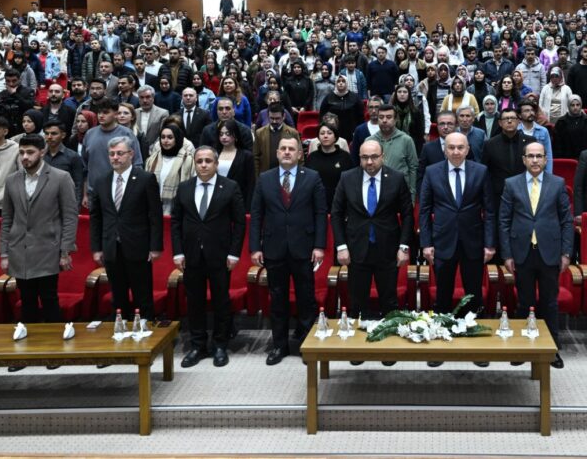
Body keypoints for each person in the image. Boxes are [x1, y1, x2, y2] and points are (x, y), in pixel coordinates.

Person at [249, 131, 328, 366]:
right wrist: (255, 247)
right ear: (276, 152)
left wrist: (320, 246)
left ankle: (307, 344)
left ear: (299, 154)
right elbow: (256, 216)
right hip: (274, 249)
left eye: (291, 149)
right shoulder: (265, 178)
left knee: (306, 300)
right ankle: (279, 345)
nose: (286, 152)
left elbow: (320, 214)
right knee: (278, 300)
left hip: (304, 248)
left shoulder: (312, 178)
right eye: (283, 148)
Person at [499, 141, 573, 368]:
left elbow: (566, 221)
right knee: (524, 303)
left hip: (550, 252)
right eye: (530, 156)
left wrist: (566, 252)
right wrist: (507, 254)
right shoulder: (511, 184)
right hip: (522, 252)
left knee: (550, 303)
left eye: (539, 156)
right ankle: (522, 349)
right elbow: (504, 221)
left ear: (545, 159)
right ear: (523, 159)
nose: (534, 160)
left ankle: (552, 350)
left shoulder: (558, 183)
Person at [172, 146, 247, 368]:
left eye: (208, 161)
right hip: (191, 255)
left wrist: (234, 252)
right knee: (194, 301)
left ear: (216, 164)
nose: (203, 165)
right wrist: (177, 251)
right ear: (194, 164)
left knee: (221, 300)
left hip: (220, 255)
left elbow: (240, 222)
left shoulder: (230, 187)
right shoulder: (184, 188)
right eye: (199, 161)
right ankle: (197, 345)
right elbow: (176, 222)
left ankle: (221, 345)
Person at [0, 135, 78, 342]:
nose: (25, 157)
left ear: (42, 152)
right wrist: (4, 252)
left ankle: (54, 349)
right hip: (19, 249)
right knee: (26, 302)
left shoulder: (61, 177)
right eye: (22, 152)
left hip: (48, 248)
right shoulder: (12, 179)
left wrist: (66, 250)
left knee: (49, 299)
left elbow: (70, 216)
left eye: (30, 152)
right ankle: (29, 350)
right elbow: (7, 218)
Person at [331, 140, 413, 322]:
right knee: (357, 304)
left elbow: (407, 215)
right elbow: (336, 214)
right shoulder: (347, 177)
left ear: (382, 156)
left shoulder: (397, 178)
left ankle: (389, 347)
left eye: (374, 157)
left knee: (389, 303)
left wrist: (404, 247)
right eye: (365, 157)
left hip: (388, 250)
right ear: (359, 158)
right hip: (356, 250)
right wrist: (341, 246)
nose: (369, 162)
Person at [420, 132, 495, 327]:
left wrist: (489, 244)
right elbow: (425, 211)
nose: (455, 151)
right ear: (444, 150)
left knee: (473, 295)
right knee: (443, 294)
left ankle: (476, 341)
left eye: (460, 147)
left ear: (468, 149)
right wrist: (426, 243)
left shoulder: (481, 171)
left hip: (473, 241)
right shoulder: (432, 171)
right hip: (442, 241)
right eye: (451, 147)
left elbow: (489, 211)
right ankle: (439, 337)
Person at [89, 136, 163, 321]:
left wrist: (155, 247)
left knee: (142, 294)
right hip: (111, 247)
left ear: (131, 154)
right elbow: (96, 217)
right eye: (112, 154)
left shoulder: (145, 179)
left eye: (119, 153)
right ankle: (121, 333)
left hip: (138, 246)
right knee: (118, 295)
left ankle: (145, 331)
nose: (115, 157)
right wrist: (96, 248)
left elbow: (155, 216)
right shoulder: (101, 181)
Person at [370, 103, 419, 200]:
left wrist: (412, 195)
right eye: (381, 117)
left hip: (401, 193)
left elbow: (413, 168)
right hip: (376, 192)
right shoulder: (370, 141)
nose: (384, 120)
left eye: (389, 117)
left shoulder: (406, 140)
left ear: (395, 120)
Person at [146, 124, 196, 215]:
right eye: (163, 137)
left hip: (178, 209)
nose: (165, 141)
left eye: (170, 137)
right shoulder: (152, 159)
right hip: (154, 208)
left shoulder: (188, 160)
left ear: (177, 138)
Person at [305, 121, 355, 206]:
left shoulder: (345, 157)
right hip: (317, 201)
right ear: (318, 137)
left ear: (335, 137)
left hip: (340, 202)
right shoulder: (312, 157)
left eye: (329, 133)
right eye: (322, 133)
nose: (325, 136)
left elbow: (351, 181)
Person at [43, 119, 84, 207]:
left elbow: (78, 184)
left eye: (54, 133)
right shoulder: (40, 156)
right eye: (46, 133)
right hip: (42, 205)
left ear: (63, 135)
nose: (49, 137)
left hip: (65, 204)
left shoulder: (73, 157)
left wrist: (75, 208)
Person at [254, 104, 300, 177]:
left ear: (284, 116)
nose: (274, 121)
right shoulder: (260, 133)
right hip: (266, 176)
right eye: (271, 118)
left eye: (277, 118)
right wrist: (257, 178)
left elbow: (299, 158)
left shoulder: (293, 133)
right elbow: (255, 158)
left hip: (287, 176)